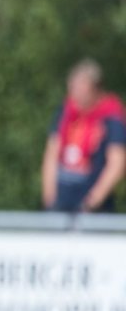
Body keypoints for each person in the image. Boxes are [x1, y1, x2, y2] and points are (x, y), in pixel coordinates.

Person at [41, 59, 126, 213]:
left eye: (81, 88)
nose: (75, 93)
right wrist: (50, 198)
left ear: (95, 88)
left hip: (93, 208)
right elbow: (52, 154)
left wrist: (92, 202)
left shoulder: (111, 117)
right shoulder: (67, 112)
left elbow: (117, 163)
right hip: (61, 201)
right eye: (73, 87)